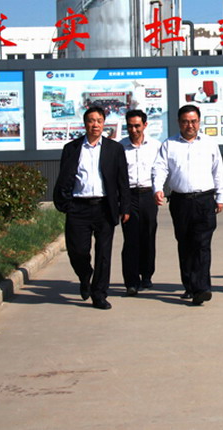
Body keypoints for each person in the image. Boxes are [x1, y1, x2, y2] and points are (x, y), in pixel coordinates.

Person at [53, 106, 130, 310]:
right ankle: (85, 274)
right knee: (77, 251)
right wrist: (65, 203)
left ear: (104, 124)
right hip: (78, 207)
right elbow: (64, 177)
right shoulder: (72, 148)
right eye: (91, 120)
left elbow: (122, 180)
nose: (95, 124)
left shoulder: (114, 149)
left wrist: (125, 207)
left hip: (104, 207)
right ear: (85, 123)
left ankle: (99, 294)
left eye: (99, 121)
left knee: (104, 253)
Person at [152, 104, 223, 306]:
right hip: (180, 202)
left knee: (202, 244)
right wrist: (157, 188)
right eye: (185, 122)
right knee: (185, 244)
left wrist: (220, 197)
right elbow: (159, 169)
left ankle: (202, 288)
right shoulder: (169, 144)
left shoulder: (209, 144)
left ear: (199, 122)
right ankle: (190, 285)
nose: (190, 125)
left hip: (204, 200)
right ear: (179, 123)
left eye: (193, 121)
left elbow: (218, 171)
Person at [118, 109, 161, 296]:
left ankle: (147, 275)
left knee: (148, 236)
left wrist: (159, 190)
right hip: (128, 196)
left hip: (148, 195)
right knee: (130, 239)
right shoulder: (119, 147)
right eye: (130, 126)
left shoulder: (156, 146)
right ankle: (131, 281)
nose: (134, 130)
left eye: (137, 126)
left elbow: (161, 170)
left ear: (145, 125)